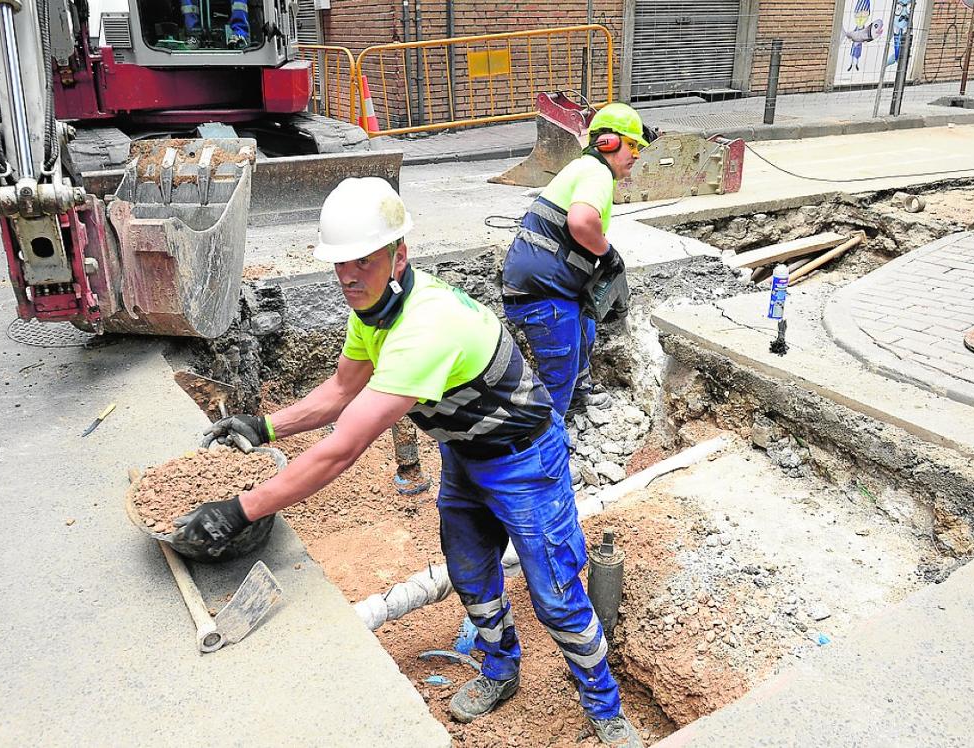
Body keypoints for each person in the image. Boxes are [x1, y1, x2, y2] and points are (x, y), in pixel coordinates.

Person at [171, 177, 643, 747]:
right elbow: (341, 391)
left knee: (556, 596)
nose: (348, 277)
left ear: (399, 255)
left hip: (525, 464)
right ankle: (499, 668)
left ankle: (605, 706)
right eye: (340, 263)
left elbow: (344, 448)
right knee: (471, 574)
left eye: (362, 262)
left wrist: (241, 510)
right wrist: (264, 425)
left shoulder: (425, 327)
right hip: (466, 455)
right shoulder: (374, 309)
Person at [500, 102, 650, 417]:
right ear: (608, 142)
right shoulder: (596, 173)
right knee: (559, 371)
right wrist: (607, 253)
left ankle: (579, 393)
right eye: (632, 145)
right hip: (542, 294)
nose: (636, 155)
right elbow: (582, 222)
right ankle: (548, 438)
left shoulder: (586, 169)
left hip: (548, 287)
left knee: (585, 327)